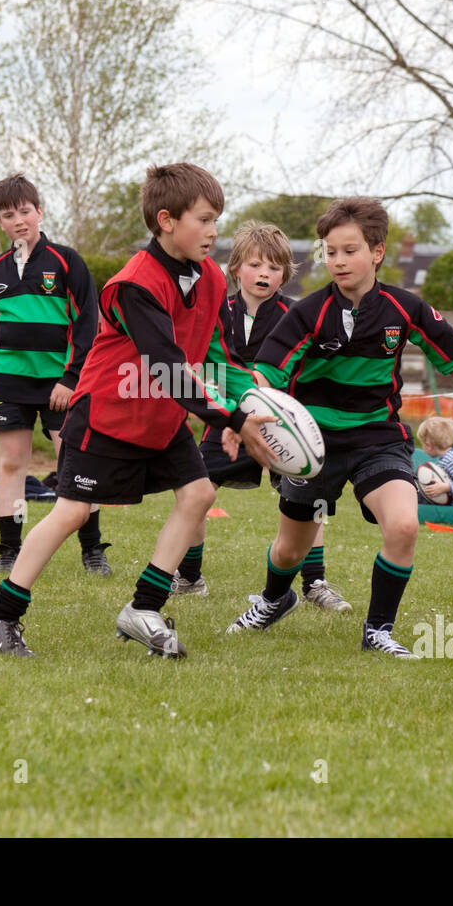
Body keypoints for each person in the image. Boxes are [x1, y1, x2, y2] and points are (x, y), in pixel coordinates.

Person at [0, 163, 273, 658]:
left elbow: (217, 355)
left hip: (163, 416)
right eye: (204, 219)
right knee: (71, 513)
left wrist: (247, 393)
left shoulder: (213, 278)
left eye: (217, 219)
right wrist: (232, 419)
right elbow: (166, 364)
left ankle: (144, 608)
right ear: (167, 220)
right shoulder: (135, 283)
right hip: (107, 415)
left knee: (197, 494)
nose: (215, 231)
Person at [226, 197, 453, 655]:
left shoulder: (405, 308)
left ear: (377, 252)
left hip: (378, 438)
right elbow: (265, 375)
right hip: (313, 444)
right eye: (330, 251)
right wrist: (241, 416)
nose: (337, 261)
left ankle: (378, 632)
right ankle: (275, 598)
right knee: (290, 552)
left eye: (349, 250)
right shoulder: (307, 313)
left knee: (404, 526)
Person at [170, 220, 349, 612]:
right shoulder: (218, 309)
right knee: (196, 490)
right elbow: (203, 364)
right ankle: (188, 575)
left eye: (274, 267)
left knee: (309, 496)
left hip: (282, 425)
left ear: (285, 274)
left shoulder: (297, 314)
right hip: (229, 418)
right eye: (255, 265)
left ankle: (315, 582)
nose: (264, 274)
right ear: (236, 268)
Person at [0, 174, 108, 575]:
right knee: (11, 463)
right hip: (8, 382)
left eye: (25, 211)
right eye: (9, 215)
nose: (19, 220)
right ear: (0, 223)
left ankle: (93, 550)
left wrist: (71, 378)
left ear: (40, 212)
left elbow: (87, 326)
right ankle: (9, 550)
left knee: (75, 462)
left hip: (60, 383)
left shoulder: (67, 262)